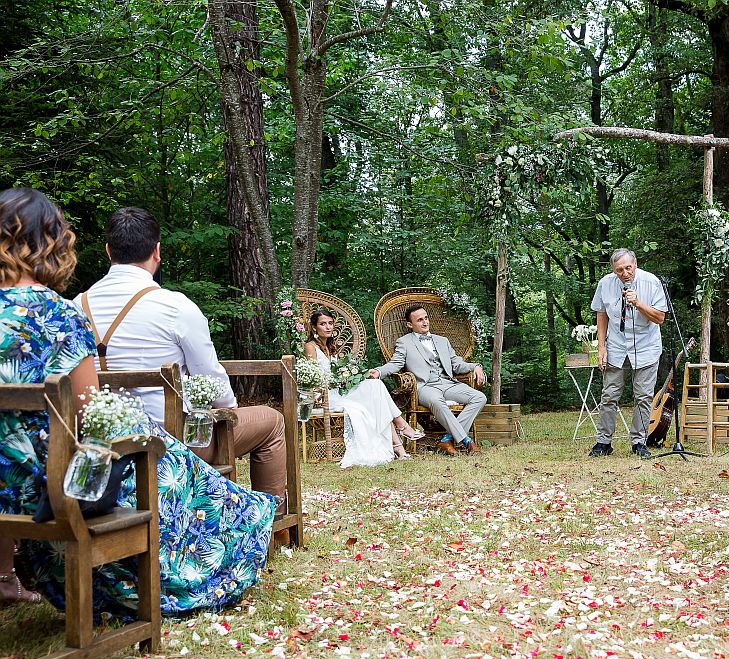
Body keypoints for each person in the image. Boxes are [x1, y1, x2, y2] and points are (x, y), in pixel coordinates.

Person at [0, 188, 274, 617]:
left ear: (108, 250)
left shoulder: (80, 304)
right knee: (188, 469)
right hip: (52, 488)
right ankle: (251, 530)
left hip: (7, 488)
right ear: (53, 242)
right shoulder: (58, 314)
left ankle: (6, 576)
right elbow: (93, 419)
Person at [74, 207, 286, 502]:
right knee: (272, 421)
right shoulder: (175, 307)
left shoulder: (75, 306)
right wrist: (229, 408)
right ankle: (273, 522)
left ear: (108, 251)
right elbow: (211, 379)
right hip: (173, 443)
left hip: (101, 442)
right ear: (157, 251)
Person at [303, 309, 423, 466]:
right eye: (323, 324)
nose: (328, 327)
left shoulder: (332, 348)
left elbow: (340, 373)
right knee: (376, 391)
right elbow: (312, 377)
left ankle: (399, 447)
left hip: (340, 390)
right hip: (325, 395)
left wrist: (353, 375)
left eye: (330, 323)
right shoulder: (310, 347)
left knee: (376, 388)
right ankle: (401, 428)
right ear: (314, 327)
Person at [370, 305, 487, 456]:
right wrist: (379, 371)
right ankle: (467, 441)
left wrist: (475, 366)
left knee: (479, 397)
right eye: (419, 320)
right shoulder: (404, 342)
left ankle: (447, 439)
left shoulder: (442, 341)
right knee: (438, 401)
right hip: (424, 387)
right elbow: (396, 363)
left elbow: (456, 364)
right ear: (409, 325)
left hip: (447, 383)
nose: (425, 322)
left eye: (426, 318)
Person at [587, 248, 668, 460]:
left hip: (646, 345)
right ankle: (603, 442)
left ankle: (639, 443)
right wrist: (601, 346)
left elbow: (660, 317)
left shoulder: (651, 282)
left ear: (635, 264)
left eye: (628, 268)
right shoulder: (605, 283)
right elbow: (601, 313)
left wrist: (638, 303)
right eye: (619, 270)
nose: (624, 273)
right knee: (609, 395)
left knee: (643, 396)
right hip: (616, 345)